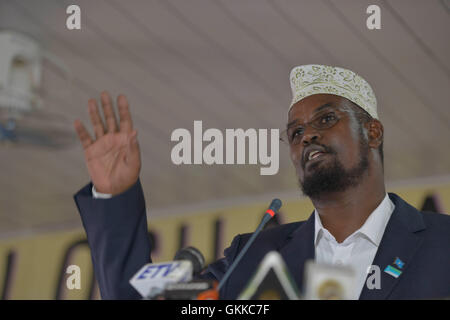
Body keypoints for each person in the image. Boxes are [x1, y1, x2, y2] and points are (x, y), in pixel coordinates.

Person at [73, 64, 450, 300]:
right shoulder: (254, 256)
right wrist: (114, 195)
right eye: (296, 131)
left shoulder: (442, 242)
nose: (307, 137)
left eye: (325, 119)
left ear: (373, 132)